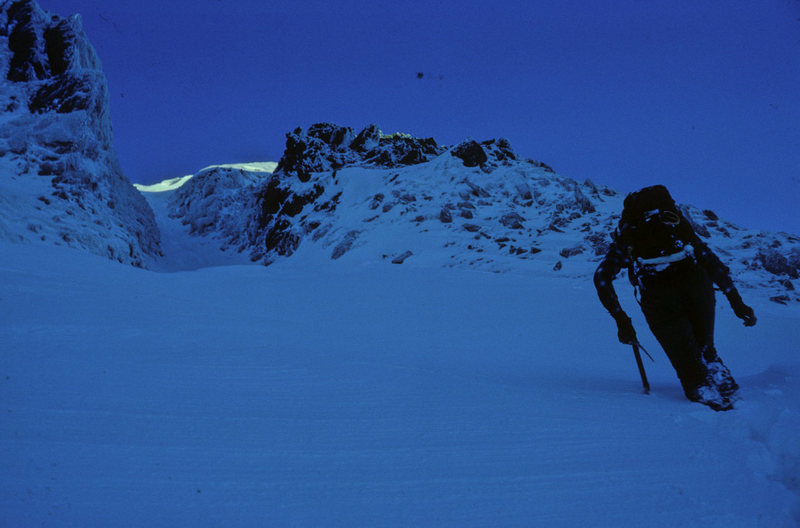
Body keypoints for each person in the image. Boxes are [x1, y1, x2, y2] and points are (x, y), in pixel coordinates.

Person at [593, 185, 757, 411]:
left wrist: (622, 320)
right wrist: (737, 302)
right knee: (706, 348)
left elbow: (602, 277)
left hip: (658, 299)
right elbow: (710, 262)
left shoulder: (630, 236)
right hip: (697, 287)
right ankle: (727, 390)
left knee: (689, 366)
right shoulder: (677, 227)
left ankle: (704, 396)